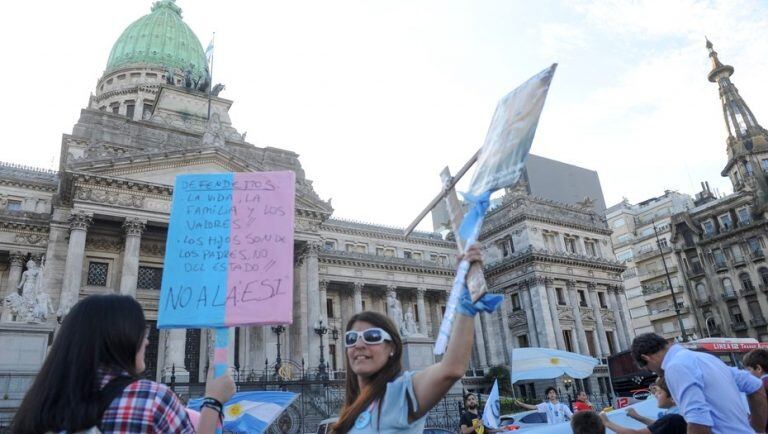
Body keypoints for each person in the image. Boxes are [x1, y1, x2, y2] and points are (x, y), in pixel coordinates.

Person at [331, 244, 501, 433]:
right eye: (351, 338)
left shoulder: (400, 394)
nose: (359, 344)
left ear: (392, 348)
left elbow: (452, 369)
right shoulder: (354, 408)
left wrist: (466, 297)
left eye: (372, 336)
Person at [11, 294, 235, 434]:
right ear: (119, 337)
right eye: (141, 332)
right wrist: (213, 401)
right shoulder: (151, 399)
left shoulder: (40, 402)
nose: (147, 341)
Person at [631, 332, 768, 434]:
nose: (655, 373)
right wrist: (758, 429)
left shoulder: (675, 367)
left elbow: (698, 421)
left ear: (646, 357)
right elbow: (754, 385)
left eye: (648, 368)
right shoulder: (706, 358)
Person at [599, 376, 686, 434]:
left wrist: (607, 423)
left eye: (659, 393)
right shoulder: (678, 413)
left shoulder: (672, 417)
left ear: (672, 398)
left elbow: (636, 433)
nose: (655, 395)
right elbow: (658, 425)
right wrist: (638, 417)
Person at [743, 348, 768, 433]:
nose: (747, 374)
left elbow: (760, 414)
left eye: (749, 370)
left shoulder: (759, 386)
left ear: (758, 368)